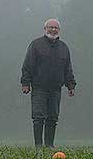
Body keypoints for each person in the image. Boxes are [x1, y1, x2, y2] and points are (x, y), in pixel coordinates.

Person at [21, 19, 76, 148]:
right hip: (39, 87)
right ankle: (38, 146)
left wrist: (71, 85)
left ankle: (49, 146)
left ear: (59, 30)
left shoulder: (64, 47)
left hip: (56, 89)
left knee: (53, 118)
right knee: (38, 117)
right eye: (50, 27)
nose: (53, 30)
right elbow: (28, 65)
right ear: (45, 29)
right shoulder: (35, 45)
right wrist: (25, 83)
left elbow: (68, 68)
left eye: (56, 28)